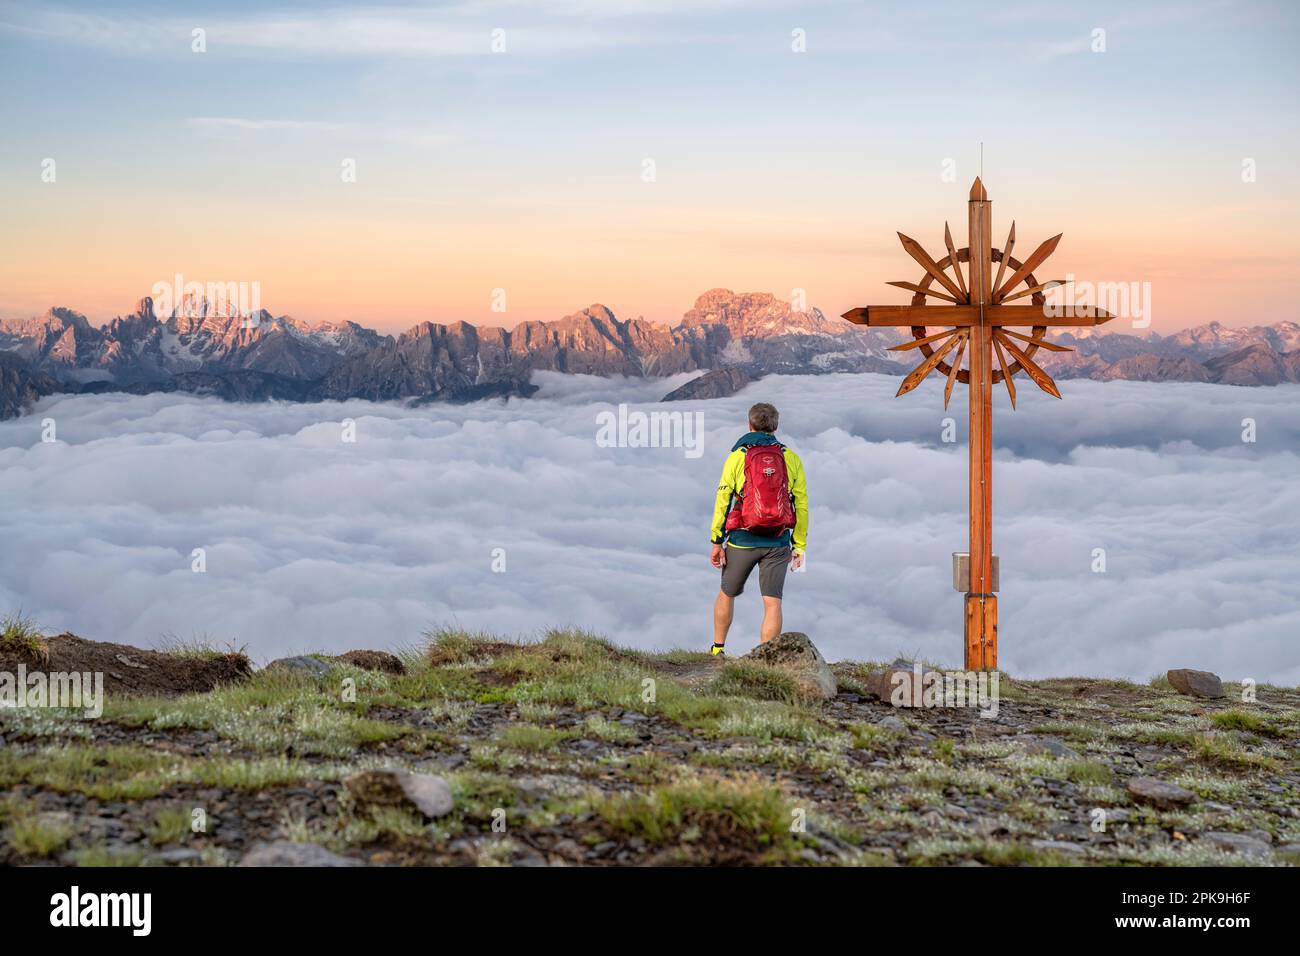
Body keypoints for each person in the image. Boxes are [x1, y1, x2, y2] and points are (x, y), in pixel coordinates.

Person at [708, 402, 808, 656]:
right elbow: (801, 504)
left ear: (749, 425)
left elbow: (723, 498)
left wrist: (716, 541)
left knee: (726, 593)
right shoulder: (790, 458)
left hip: (742, 539)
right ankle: (765, 659)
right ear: (775, 427)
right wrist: (799, 546)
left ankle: (718, 650)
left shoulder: (737, 457)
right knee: (772, 603)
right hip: (777, 542)